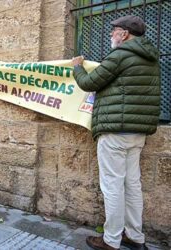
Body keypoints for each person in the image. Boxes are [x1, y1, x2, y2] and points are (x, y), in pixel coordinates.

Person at [72, 15, 160, 250]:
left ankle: (111, 240)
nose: (111, 35)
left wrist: (77, 67)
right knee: (132, 186)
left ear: (124, 34)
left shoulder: (120, 55)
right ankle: (135, 237)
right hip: (137, 132)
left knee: (112, 186)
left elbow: (90, 83)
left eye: (114, 31)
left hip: (115, 131)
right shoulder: (150, 58)